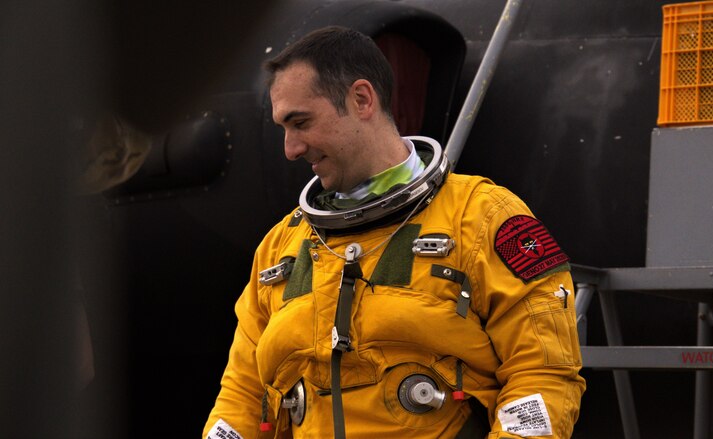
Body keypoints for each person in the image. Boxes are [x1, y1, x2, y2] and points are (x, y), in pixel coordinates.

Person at [203, 25, 585, 439]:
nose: (290, 148)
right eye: (284, 128)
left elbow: (542, 375)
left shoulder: (484, 217)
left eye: (301, 122)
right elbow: (241, 398)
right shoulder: (280, 248)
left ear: (361, 99)